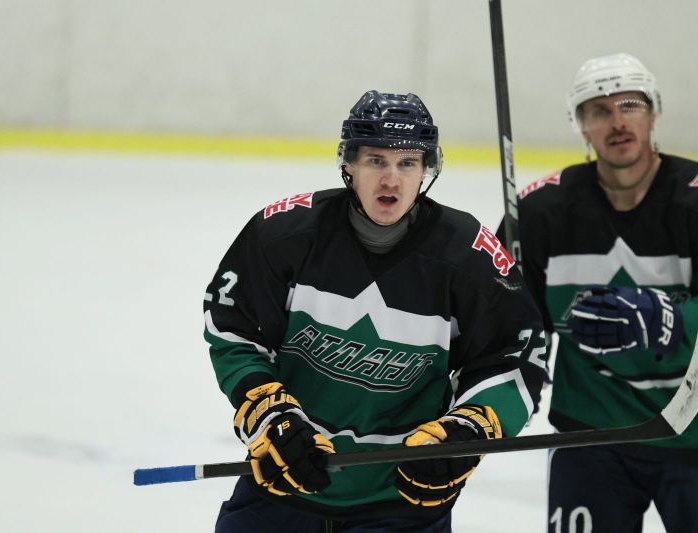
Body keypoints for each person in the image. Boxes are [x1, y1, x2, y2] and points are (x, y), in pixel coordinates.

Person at [203, 90, 548, 532]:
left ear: (427, 170)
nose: (391, 180)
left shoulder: (468, 257)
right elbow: (234, 329)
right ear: (348, 164)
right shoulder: (284, 235)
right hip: (284, 481)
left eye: (407, 163)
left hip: (403, 502)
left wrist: (469, 429)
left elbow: (514, 358)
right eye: (375, 161)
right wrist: (269, 415)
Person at [509, 53, 698, 532]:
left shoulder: (694, 200)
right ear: (581, 127)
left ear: (653, 113)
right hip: (591, 439)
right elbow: (507, 322)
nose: (617, 122)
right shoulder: (540, 213)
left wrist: (672, 319)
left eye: (630, 105)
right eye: (598, 110)